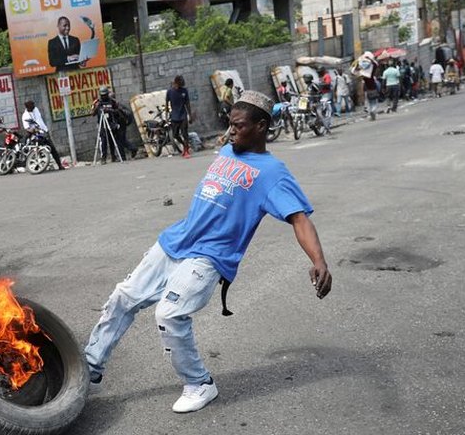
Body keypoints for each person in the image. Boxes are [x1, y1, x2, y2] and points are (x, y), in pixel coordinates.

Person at [84, 91, 332, 414]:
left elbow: (299, 218)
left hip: (209, 257)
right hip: (176, 240)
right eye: (230, 124)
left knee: (169, 314)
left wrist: (319, 261)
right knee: (122, 297)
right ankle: (88, 368)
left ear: (261, 126)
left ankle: (200, 383)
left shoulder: (273, 173)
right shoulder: (229, 149)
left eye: (238, 126)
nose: (231, 132)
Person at [21, 100, 65, 170]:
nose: (34, 106)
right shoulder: (25, 116)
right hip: (34, 134)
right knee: (33, 150)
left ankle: (59, 165)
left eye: (33, 104)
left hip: (44, 131)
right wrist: (33, 130)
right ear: (28, 107)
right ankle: (35, 166)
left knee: (52, 149)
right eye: (32, 105)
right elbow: (27, 128)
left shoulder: (35, 109)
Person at [92, 87, 126, 163]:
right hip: (101, 123)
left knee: (112, 140)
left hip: (111, 123)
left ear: (107, 94)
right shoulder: (97, 102)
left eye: (105, 95)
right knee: (103, 140)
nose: (104, 97)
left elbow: (118, 111)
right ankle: (103, 158)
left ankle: (113, 156)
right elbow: (92, 113)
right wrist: (97, 108)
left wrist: (110, 110)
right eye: (102, 95)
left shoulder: (112, 101)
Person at [165, 75, 194, 158]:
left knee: (185, 133)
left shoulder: (184, 91)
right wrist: (167, 116)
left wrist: (190, 115)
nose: (180, 85)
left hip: (183, 116)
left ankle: (186, 151)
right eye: (179, 84)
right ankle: (185, 145)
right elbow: (167, 104)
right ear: (175, 83)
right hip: (174, 116)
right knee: (175, 135)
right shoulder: (170, 92)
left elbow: (187, 104)